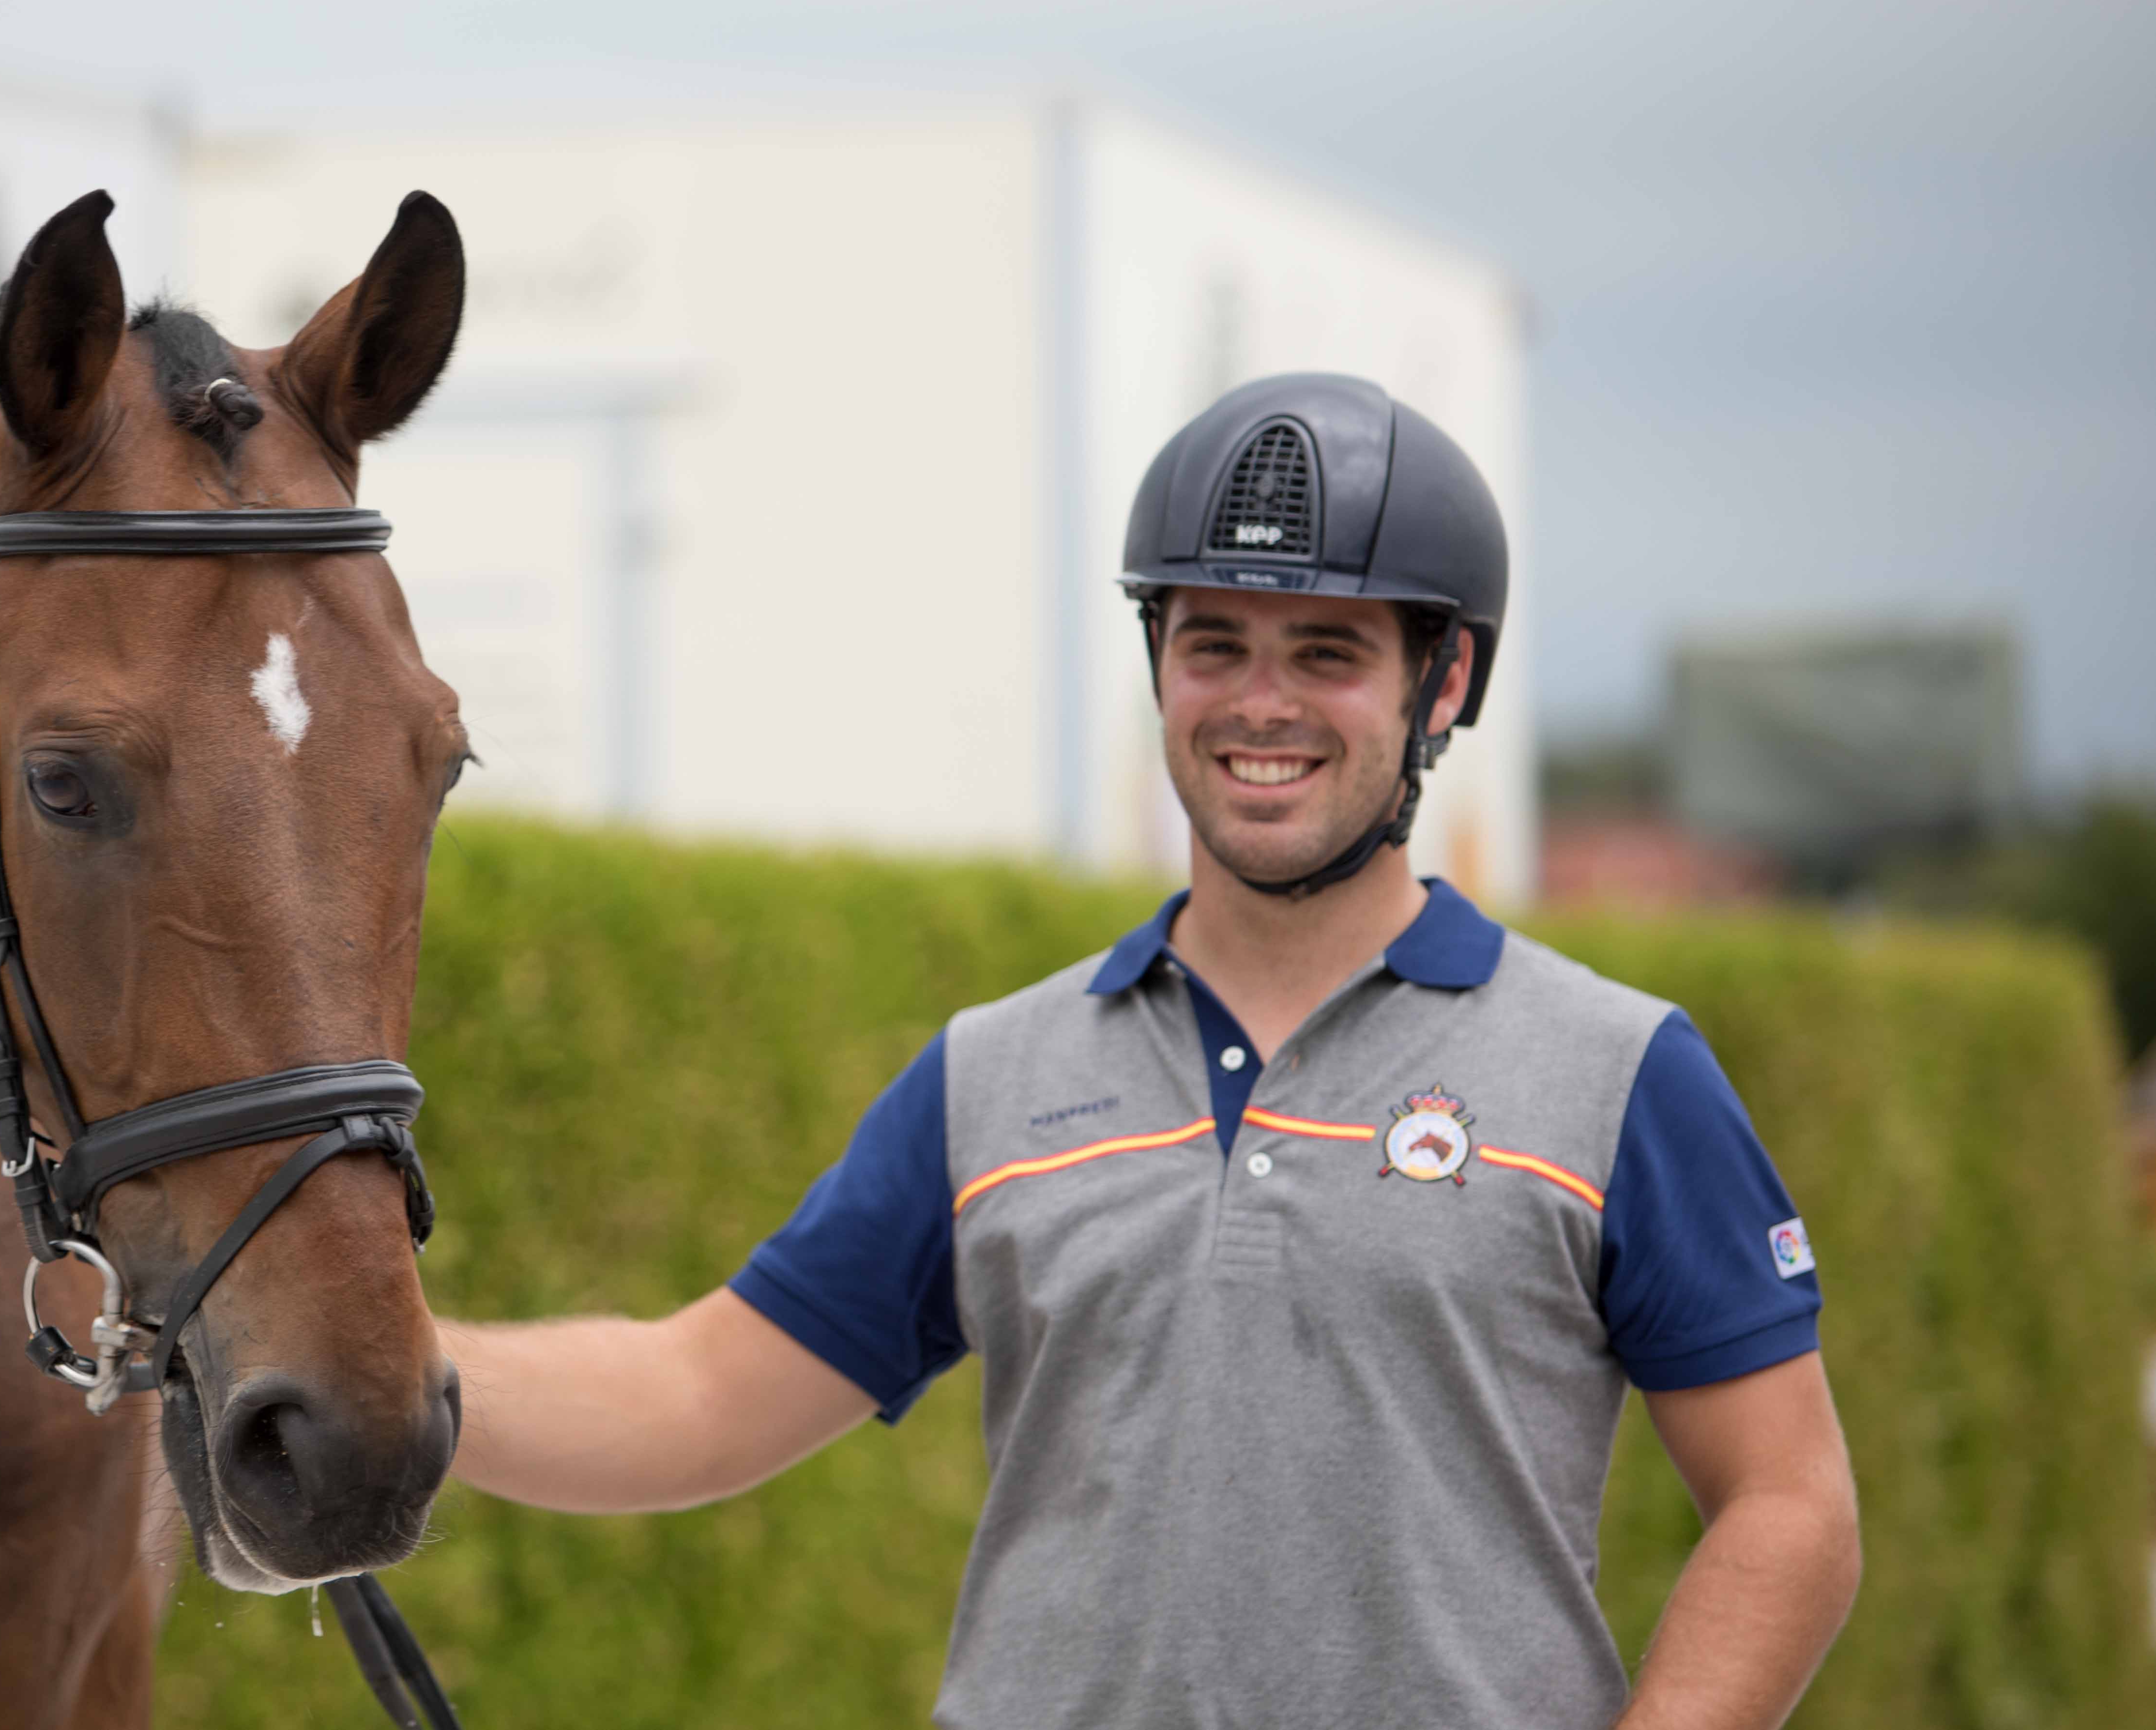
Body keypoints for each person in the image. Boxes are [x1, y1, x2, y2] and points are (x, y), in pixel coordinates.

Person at [437, 374, 1860, 1728]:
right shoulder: (989, 1074)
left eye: (1327, 652)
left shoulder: (1616, 1069)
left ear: (1443, 682)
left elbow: (1787, 1503)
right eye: (1212, 644)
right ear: (1159, 663)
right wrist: (390, 1368)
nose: (1260, 701)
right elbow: (697, 1398)